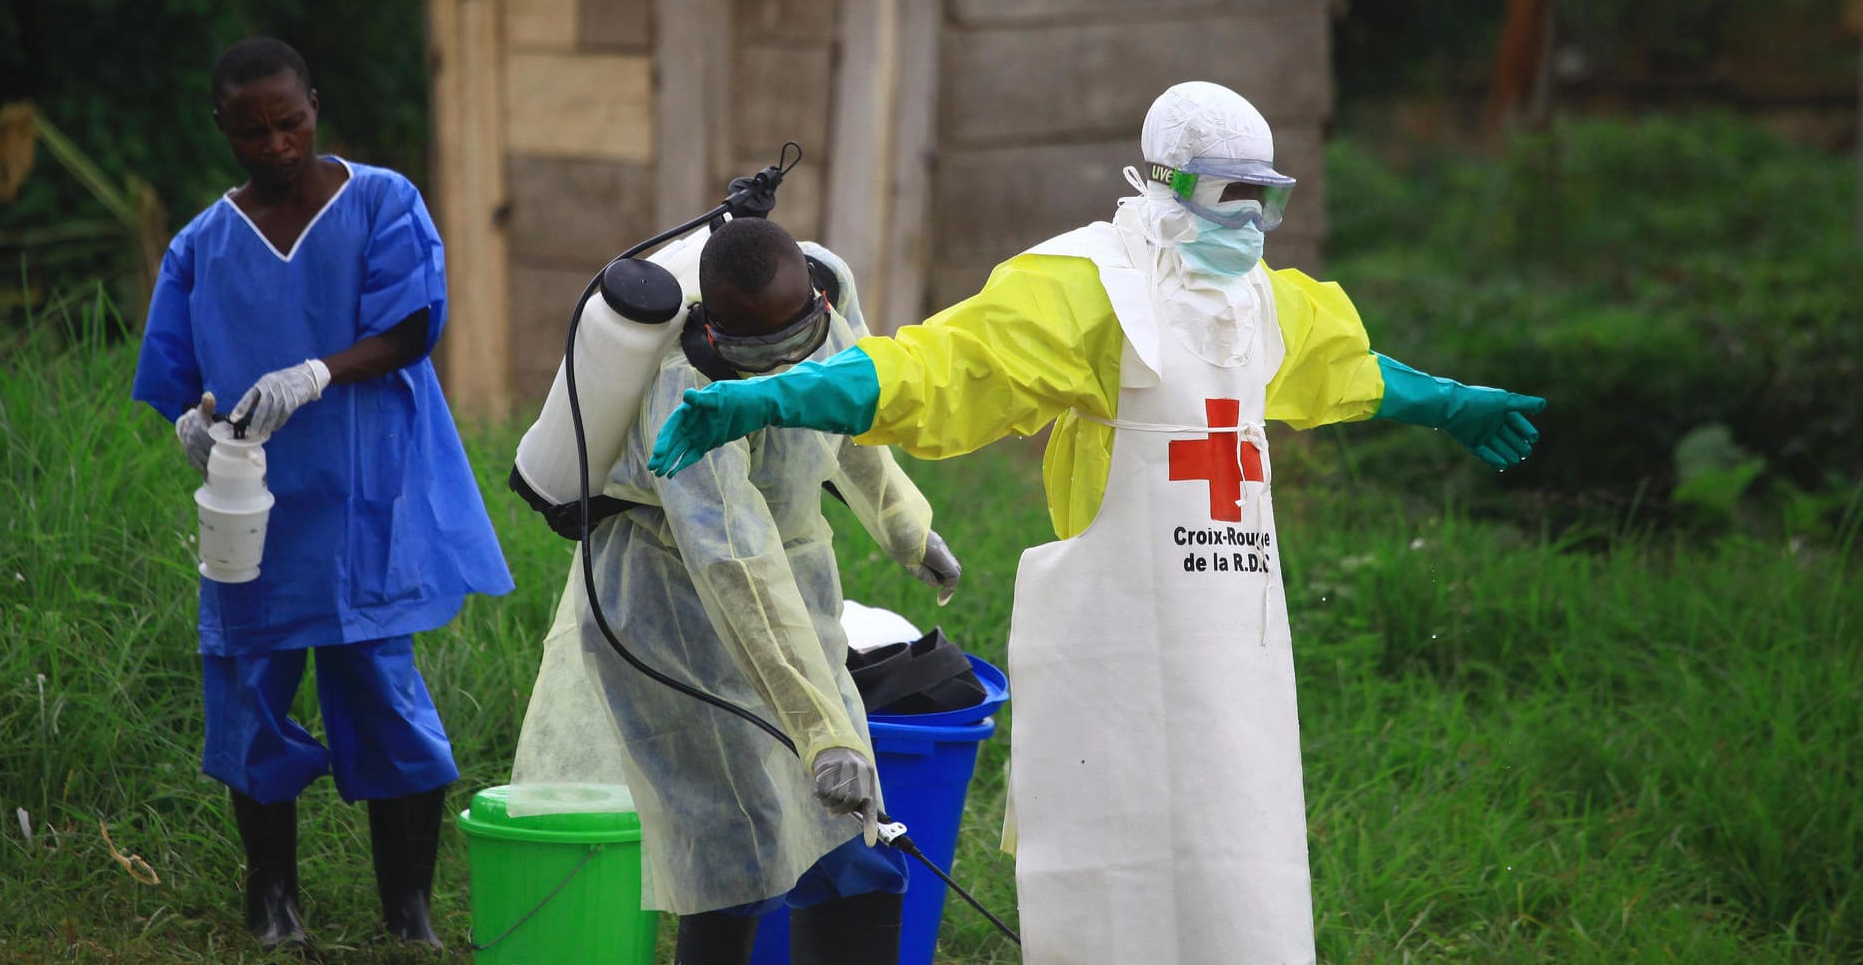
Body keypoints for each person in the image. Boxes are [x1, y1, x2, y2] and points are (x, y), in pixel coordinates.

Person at [648, 82, 1546, 963]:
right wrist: (772, 398)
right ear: (1167, 181)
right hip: (1118, 654)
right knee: (1123, 872)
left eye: (1267, 198)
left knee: (1245, 857)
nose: (1251, 221)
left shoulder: (1263, 304)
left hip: (1236, 661)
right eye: (1234, 193)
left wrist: (1449, 401)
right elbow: (938, 367)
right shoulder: (1087, 288)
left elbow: (1345, 369)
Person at [131, 37, 513, 950]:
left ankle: (408, 910)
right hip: (252, 510)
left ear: (314, 103)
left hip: (362, 496)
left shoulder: (382, 202)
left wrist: (316, 373)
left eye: (289, 121)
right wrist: (194, 420)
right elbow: (180, 373)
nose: (275, 144)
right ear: (221, 126)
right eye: (252, 130)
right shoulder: (202, 246)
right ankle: (272, 904)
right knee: (249, 695)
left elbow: (413, 325)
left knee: (383, 693)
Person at [507, 216, 961, 965]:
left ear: (816, 296)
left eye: (798, 340)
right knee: (737, 848)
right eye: (761, 355)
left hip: (794, 583)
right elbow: (735, 565)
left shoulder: (828, 284)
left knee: (855, 841)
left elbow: (844, 402)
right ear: (714, 334)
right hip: (672, 611)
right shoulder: (685, 392)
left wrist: (906, 526)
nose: (786, 365)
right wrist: (824, 735)